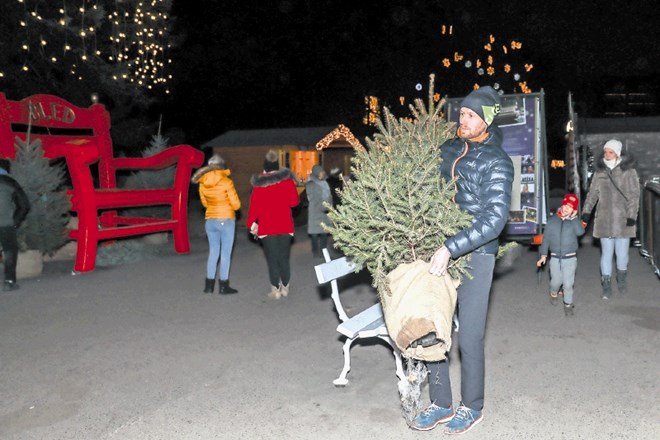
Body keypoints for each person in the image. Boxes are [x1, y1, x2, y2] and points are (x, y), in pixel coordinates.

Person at [412, 86, 513, 435]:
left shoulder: (497, 161)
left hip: (475, 255)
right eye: (462, 113)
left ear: (485, 120)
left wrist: (452, 247)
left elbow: (495, 219)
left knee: (469, 337)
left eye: (471, 115)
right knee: (434, 330)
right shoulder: (449, 149)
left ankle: (472, 407)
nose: (462, 119)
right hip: (440, 250)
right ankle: (441, 403)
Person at [581, 139, 640, 299]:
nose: (607, 154)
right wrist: (586, 212)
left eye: (611, 152)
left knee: (622, 255)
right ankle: (606, 284)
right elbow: (592, 194)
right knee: (606, 253)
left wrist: (632, 216)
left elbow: (634, 195)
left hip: (623, 219)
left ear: (618, 153)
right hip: (604, 219)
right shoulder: (600, 172)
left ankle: (621, 278)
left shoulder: (629, 171)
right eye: (605, 151)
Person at [246, 150, 300, 299]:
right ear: (277, 167)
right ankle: (286, 286)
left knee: (272, 259)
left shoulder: (259, 185)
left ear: (265, 167)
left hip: (267, 227)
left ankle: (275, 289)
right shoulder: (287, 181)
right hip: (285, 226)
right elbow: (294, 202)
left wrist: (251, 224)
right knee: (284, 257)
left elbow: (254, 207)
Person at [191, 154, 241, 294]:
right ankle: (224, 286)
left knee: (213, 252)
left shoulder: (202, 181)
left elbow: (205, 203)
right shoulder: (226, 182)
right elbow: (236, 205)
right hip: (225, 220)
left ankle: (209, 285)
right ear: (222, 166)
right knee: (225, 254)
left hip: (210, 221)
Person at [536, 193, 586, 316]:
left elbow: (580, 232)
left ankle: (568, 304)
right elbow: (546, 238)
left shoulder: (575, 222)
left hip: (570, 258)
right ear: (562, 205)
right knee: (556, 282)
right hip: (555, 257)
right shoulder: (552, 221)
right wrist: (543, 255)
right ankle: (554, 292)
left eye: (570, 207)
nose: (566, 208)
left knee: (568, 283)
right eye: (565, 205)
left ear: (573, 210)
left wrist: (574, 218)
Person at [0, 159, 30, 292]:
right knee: (9, 251)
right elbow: (24, 205)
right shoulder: (10, 182)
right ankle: (9, 281)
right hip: (6, 224)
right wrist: (15, 222)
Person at [305, 165, 333, 258]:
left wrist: (330, 207)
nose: (323, 173)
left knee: (324, 232)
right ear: (316, 173)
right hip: (315, 211)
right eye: (321, 171)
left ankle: (323, 252)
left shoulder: (325, 183)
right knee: (315, 234)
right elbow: (312, 198)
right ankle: (315, 251)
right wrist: (323, 207)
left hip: (325, 211)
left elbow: (329, 196)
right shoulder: (311, 184)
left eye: (323, 171)